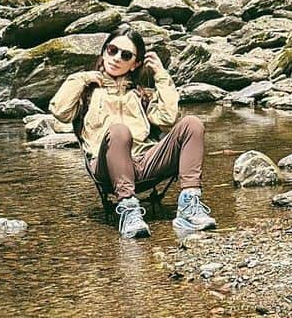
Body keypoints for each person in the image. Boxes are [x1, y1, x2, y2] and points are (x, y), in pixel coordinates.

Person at [49, 27, 216, 241]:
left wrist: (161, 76)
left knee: (192, 123)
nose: (117, 58)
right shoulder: (88, 91)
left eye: (126, 55)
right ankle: (128, 210)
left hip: (144, 163)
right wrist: (82, 79)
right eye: (112, 50)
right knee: (119, 131)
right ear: (103, 52)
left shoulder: (141, 94)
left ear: (135, 63)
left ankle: (189, 207)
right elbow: (60, 112)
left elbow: (168, 117)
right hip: (106, 167)